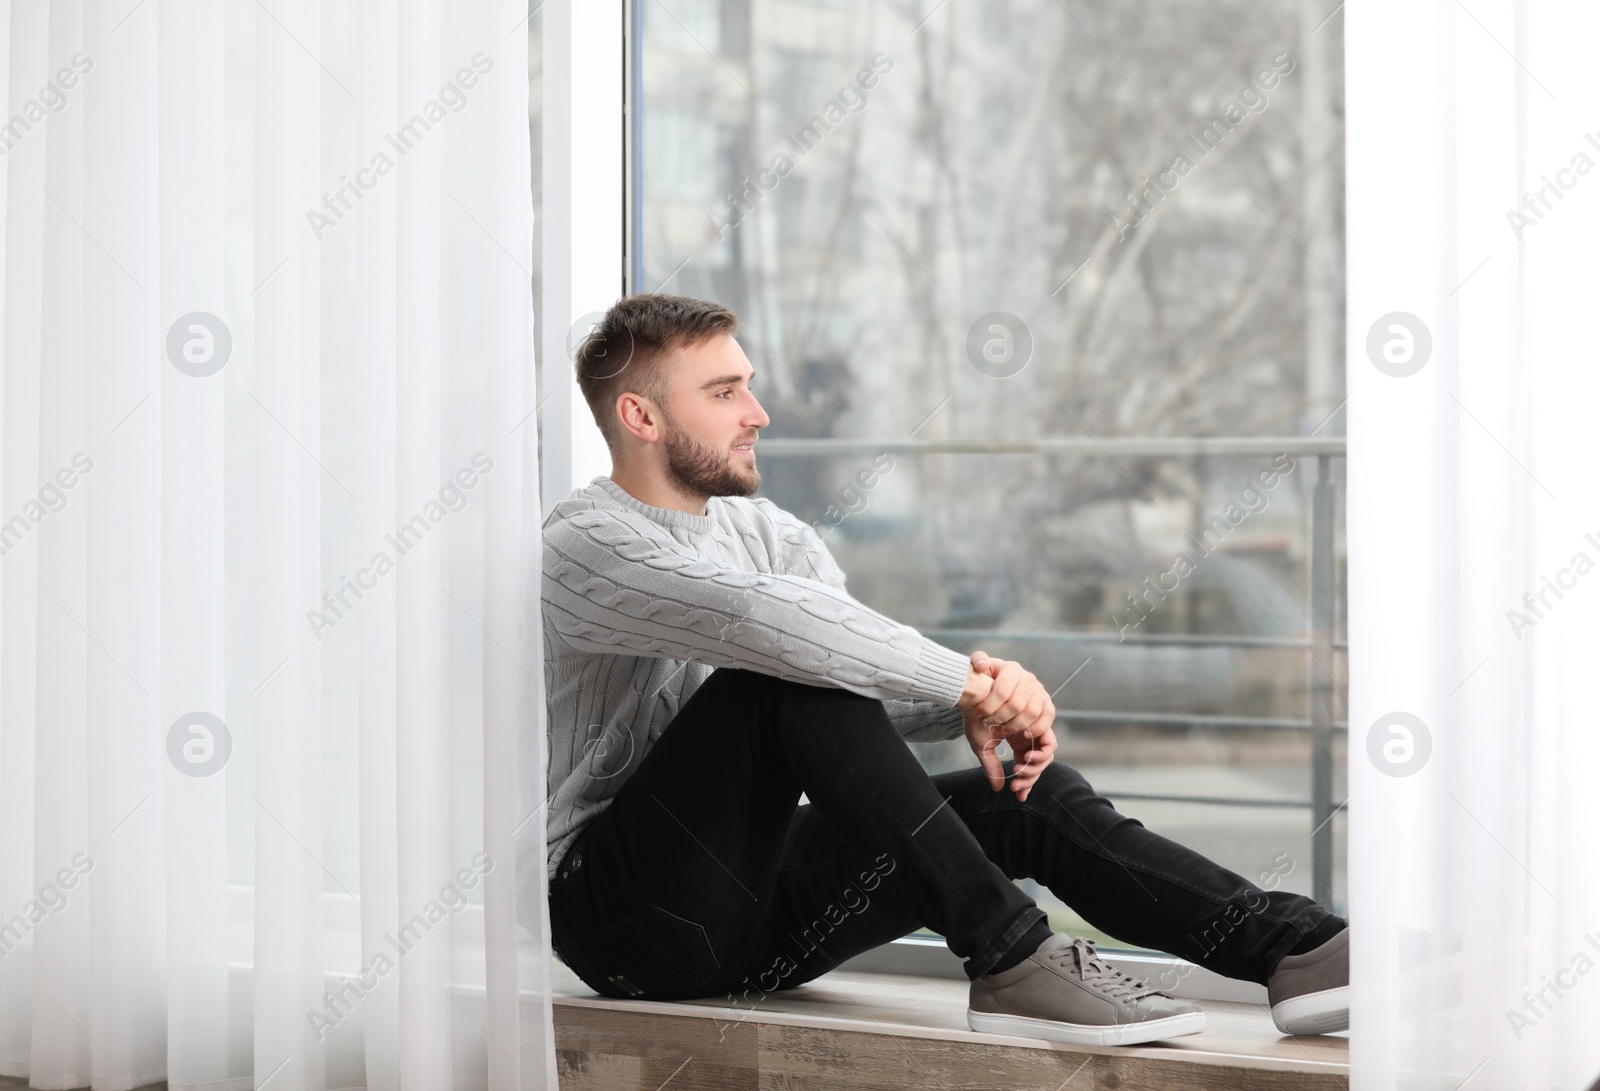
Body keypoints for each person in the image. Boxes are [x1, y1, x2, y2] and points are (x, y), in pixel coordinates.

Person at [539, 293, 1349, 1046]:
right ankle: (1011, 958)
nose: (759, 413)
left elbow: (841, 690)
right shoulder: (584, 544)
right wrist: (963, 681)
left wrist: (969, 703)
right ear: (640, 414)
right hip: (626, 923)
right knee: (778, 670)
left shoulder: (768, 533)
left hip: (761, 918)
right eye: (724, 393)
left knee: (1027, 801)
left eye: (748, 386)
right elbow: (767, 626)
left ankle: (1296, 948)